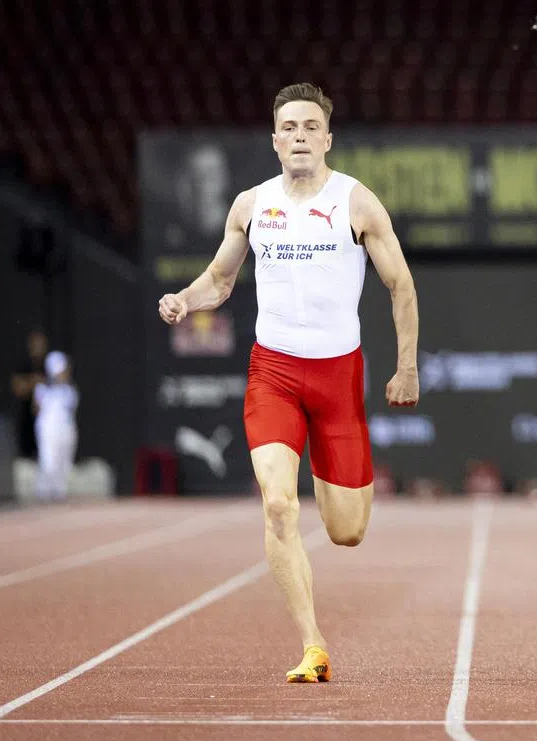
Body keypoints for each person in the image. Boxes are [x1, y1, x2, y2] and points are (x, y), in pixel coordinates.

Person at [158, 83, 420, 683]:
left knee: (346, 531)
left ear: (327, 138)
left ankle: (337, 533)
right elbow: (220, 282)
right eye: (289, 128)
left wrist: (406, 367)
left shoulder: (356, 202)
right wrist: (184, 298)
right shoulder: (250, 205)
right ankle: (312, 644)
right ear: (274, 141)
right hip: (272, 372)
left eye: (310, 127)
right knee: (278, 504)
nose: (299, 136)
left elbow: (400, 285)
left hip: (337, 378)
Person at [33, 351, 79, 501]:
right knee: (49, 461)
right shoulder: (42, 389)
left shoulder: (70, 390)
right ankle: (44, 492)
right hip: (48, 429)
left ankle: (60, 492)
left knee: (64, 461)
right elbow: (36, 409)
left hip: (65, 429)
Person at [11, 329, 49, 459]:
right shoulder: (24, 365)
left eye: (40, 343)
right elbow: (18, 388)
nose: (38, 347)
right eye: (35, 343)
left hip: (49, 424)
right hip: (28, 423)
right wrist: (34, 382)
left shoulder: (50, 365)